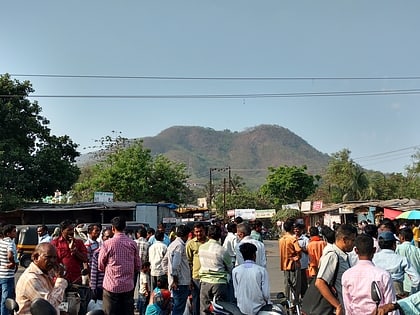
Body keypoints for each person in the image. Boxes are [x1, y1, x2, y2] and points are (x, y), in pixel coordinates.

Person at [342, 234, 398, 315]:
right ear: (374, 250)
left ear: (356, 251)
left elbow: (348, 306)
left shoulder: (347, 275)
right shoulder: (383, 275)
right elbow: (390, 305)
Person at [98, 216, 141, 315]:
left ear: (113, 228)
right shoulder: (132, 243)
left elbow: (100, 265)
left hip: (111, 287)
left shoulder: (107, 244)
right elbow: (138, 265)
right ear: (124, 228)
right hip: (128, 287)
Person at [315, 223, 357, 315]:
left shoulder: (342, 255)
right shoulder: (332, 256)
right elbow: (320, 283)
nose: (354, 244)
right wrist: (337, 305)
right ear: (345, 240)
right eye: (353, 240)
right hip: (334, 310)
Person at [15, 243, 67, 315]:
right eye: (48, 257)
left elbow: (53, 296)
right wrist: (60, 280)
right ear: (36, 257)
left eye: (54, 258)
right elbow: (49, 306)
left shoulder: (45, 273)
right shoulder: (31, 279)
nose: (52, 261)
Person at [373, 231, 420, 298]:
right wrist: (411, 295)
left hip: (378, 292)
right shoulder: (401, 259)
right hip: (397, 293)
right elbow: (416, 279)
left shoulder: (373, 258)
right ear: (394, 245)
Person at [198, 224, 231, 314]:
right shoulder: (222, 250)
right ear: (219, 236)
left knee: (204, 309)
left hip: (204, 282)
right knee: (220, 309)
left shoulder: (201, 248)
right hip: (219, 283)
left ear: (208, 235)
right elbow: (229, 267)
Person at [232, 242, 271, 315]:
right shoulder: (261, 270)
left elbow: (236, 293)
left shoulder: (235, 271)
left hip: (242, 307)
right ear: (254, 255)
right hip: (259, 308)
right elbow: (266, 294)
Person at [163, 224, 191, 315]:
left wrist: (168, 273)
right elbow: (175, 265)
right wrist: (174, 279)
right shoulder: (179, 246)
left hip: (175, 280)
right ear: (186, 235)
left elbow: (164, 261)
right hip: (180, 281)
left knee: (176, 306)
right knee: (179, 308)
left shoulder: (172, 244)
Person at [185, 222, 208, 315]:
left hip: (207, 277)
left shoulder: (209, 242)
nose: (198, 234)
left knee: (207, 301)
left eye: (200, 231)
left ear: (204, 231)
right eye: (196, 232)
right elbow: (188, 263)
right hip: (196, 277)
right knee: (196, 300)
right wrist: (190, 279)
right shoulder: (190, 244)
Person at [89, 227, 113, 310]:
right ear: (103, 237)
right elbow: (94, 272)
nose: (109, 239)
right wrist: (93, 288)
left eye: (111, 237)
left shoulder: (117, 252)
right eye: (107, 237)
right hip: (100, 287)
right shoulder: (97, 253)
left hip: (113, 286)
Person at [279, 219, 301, 306]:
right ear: (292, 228)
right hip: (293, 264)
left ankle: (288, 300)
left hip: (284, 264)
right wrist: (297, 256)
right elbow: (298, 249)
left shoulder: (281, 239)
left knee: (287, 283)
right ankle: (295, 302)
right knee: (295, 284)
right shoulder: (292, 239)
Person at [395, 227, 420, 295]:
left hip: (404, 284)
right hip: (416, 283)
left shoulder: (398, 248)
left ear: (402, 237)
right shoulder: (417, 250)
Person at [0, 224, 18, 315]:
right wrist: (13, 263)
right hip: (7, 275)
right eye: (14, 231)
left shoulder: (1, 242)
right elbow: (10, 254)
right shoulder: (10, 243)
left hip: (1, 274)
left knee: (2, 298)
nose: (16, 233)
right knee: (6, 300)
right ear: (8, 233)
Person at [294, 223, 309, 297]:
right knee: (295, 281)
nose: (296, 230)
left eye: (297, 229)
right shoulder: (292, 238)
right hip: (294, 264)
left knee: (303, 281)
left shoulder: (305, 239)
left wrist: (300, 248)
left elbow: (308, 251)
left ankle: (304, 296)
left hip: (303, 263)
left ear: (301, 230)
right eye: (295, 229)